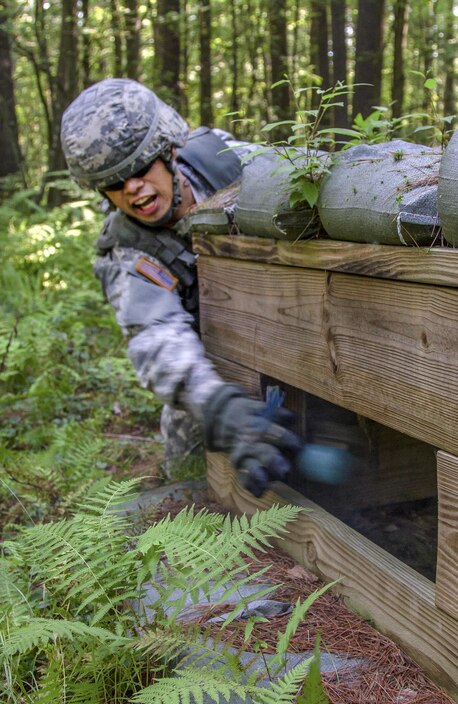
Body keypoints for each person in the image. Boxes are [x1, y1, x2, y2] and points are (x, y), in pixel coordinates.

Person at [59, 78, 300, 495]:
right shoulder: (129, 251)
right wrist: (219, 410)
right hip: (212, 372)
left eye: (138, 170)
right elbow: (156, 338)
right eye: (115, 184)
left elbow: (308, 177)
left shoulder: (225, 162)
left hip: (288, 327)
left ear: (168, 151)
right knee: (192, 478)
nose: (132, 188)